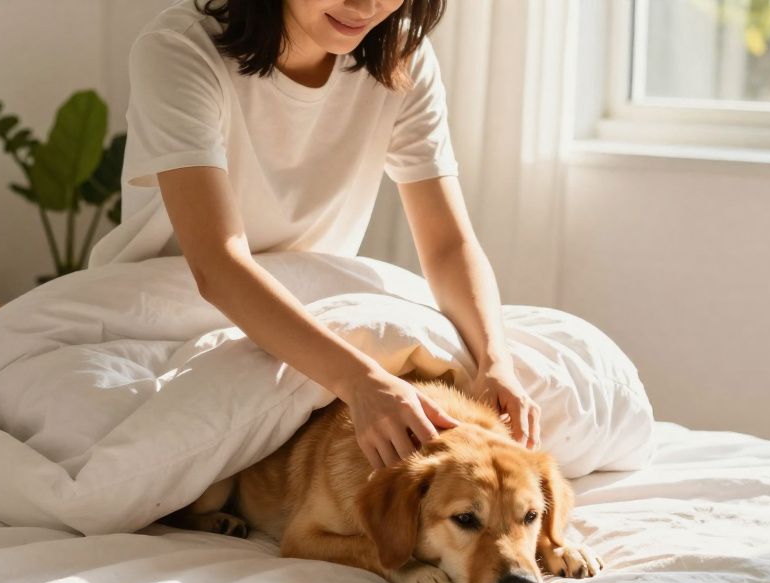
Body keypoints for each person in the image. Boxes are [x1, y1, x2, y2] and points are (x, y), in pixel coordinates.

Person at [85, 0, 541, 471]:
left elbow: (448, 244)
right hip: (165, 318)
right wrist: (360, 381)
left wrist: (494, 361)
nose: (365, 5)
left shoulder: (401, 57)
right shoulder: (181, 50)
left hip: (316, 316)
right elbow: (217, 265)